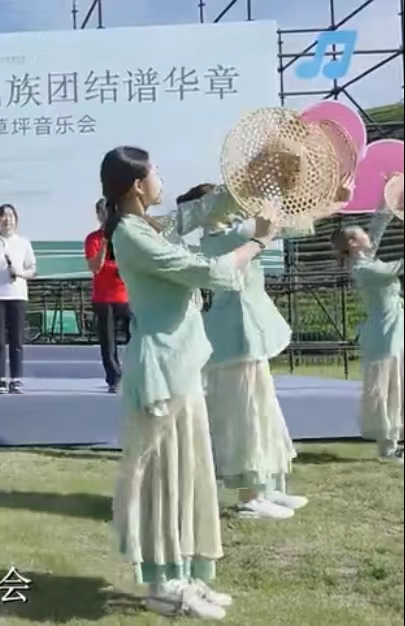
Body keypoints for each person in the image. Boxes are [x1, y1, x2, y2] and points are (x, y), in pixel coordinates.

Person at [102, 146, 278, 619]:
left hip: (183, 366)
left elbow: (205, 208)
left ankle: (186, 574)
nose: (160, 177)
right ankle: (164, 585)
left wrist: (253, 174)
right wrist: (258, 242)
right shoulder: (132, 235)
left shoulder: (151, 226)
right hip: (161, 373)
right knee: (165, 480)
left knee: (191, 475)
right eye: (155, 171)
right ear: (137, 185)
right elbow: (207, 270)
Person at [189, 182, 323, 520]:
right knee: (245, 416)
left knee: (261, 411)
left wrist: (329, 201)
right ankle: (250, 497)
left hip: (247, 333)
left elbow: (284, 225)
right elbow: (280, 224)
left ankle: (266, 487)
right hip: (236, 335)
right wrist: (306, 196)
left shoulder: (228, 233)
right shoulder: (222, 237)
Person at [331, 206, 403, 465]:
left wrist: (387, 204)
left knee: (398, 386)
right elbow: (396, 268)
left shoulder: (366, 260)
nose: (367, 236)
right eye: (362, 234)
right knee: (385, 390)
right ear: (353, 243)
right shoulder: (363, 268)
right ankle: (387, 447)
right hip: (383, 335)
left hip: (394, 329)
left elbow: (376, 230)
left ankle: (396, 443)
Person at [0, 204, 37, 394]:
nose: (7, 219)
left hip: (17, 295)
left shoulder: (23, 243)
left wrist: (19, 273)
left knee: (17, 339)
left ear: (16, 220)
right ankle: (1, 379)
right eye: (3, 216)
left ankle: (16, 378)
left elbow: (32, 270)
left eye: (11, 215)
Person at [84, 198, 131, 393]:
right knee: (108, 342)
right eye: (102, 213)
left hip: (126, 295)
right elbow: (95, 266)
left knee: (135, 337)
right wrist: (104, 241)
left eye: (110, 213)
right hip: (104, 298)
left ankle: (135, 374)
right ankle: (114, 378)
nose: (106, 217)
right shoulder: (93, 239)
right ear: (98, 215)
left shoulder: (125, 237)